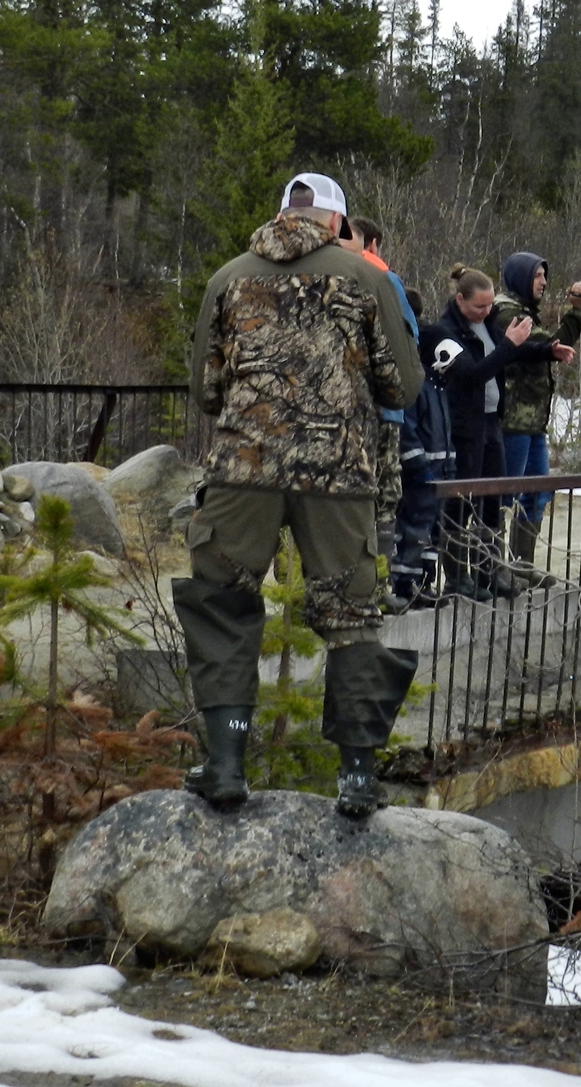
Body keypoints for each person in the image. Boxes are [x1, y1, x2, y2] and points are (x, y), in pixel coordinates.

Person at [181, 173, 424, 818]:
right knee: (352, 613)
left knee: (221, 602)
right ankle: (356, 777)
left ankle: (227, 763)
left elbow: (207, 388)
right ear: (339, 224)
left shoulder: (229, 277)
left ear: (282, 214)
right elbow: (401, 385)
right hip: (338, 474)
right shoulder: (367, 278)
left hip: (243, 469)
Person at [424, 264, 533, 600]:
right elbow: (471, 374)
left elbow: (512, 351)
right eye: (479, 307)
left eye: (489, 306)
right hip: (463, 426)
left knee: (492, 500)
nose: (486, 312)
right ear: (460, 299)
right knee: (461, 503)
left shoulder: (486, 327)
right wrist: (508, 347)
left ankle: (488, 571)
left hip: (490, 423)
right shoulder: (444, 332)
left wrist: (548, 350)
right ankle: (458, 577)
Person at [491, 252, 581, 580]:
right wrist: (575, 314)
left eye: (544, 277)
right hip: (513, 420)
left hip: (533, 422)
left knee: (537, 492)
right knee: (506, 496)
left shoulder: (526, 311)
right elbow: (549, 345)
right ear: (521, 277)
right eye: (537, 276)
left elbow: (553, 346)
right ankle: (493, 566)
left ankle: (522, 565)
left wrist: (576, 311)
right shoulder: (506, 311)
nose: (544, 283)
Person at [348, 216, 416, 580]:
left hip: (364, 410)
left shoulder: (372, 280)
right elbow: (408, 341)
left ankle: (373, 579)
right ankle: (375, 580)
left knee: (369, 493)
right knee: (380, 492)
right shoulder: (383, 280)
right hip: (379, 408)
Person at [393, 288, 458, 609]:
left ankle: (424, 581)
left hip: (438, 473)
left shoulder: (436, 386)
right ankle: (406, 583)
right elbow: (410, 428)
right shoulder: (417, 385)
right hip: (421, 473)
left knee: (433, 531)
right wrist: (417, 462)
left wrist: (450, 462)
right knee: (414, 528)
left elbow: (444, 429)